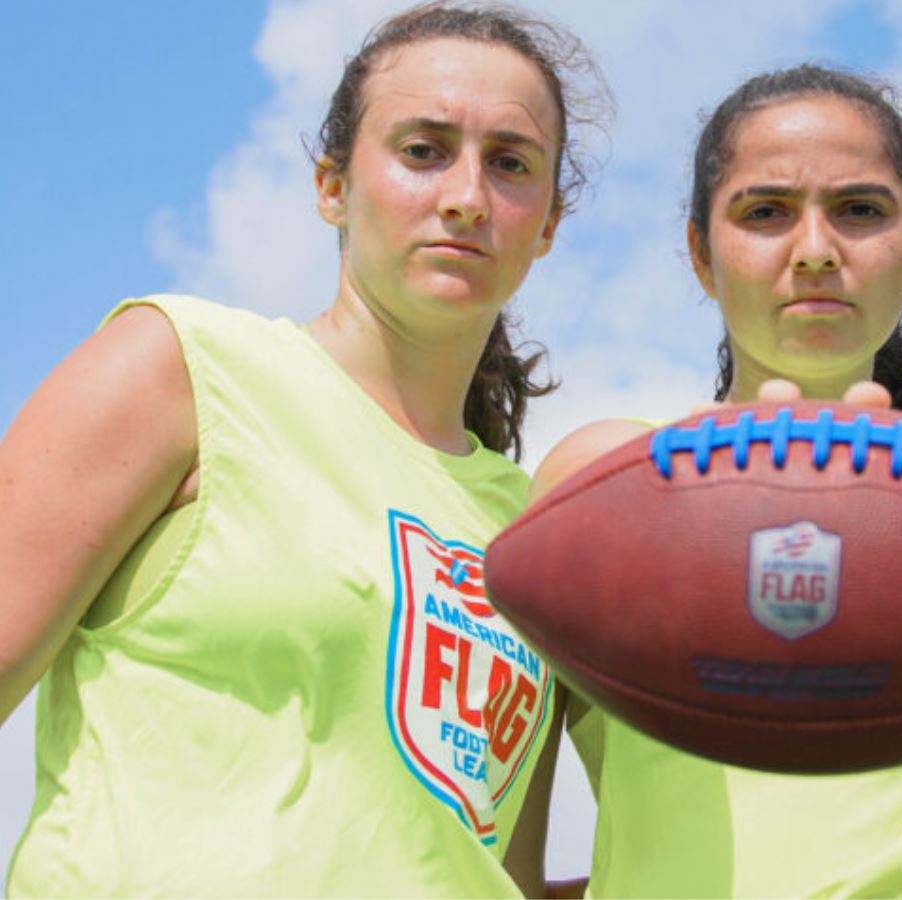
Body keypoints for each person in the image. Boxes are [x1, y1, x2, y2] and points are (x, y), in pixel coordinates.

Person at [0, 2, 609, 895]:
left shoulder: (540, 537)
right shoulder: (180, 368)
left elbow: (500, 874)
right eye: (422, 150)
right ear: (332, 186)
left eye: (510, 164)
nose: (467, 197)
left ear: (548, 223)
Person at [530, 64, 902, 897]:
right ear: (702, 254)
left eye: (860, 210)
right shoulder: (605, 488)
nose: (815, 252)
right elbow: (503, 845)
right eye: (766, 212)